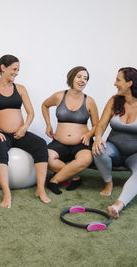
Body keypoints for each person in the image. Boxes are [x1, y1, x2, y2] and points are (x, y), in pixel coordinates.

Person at [0, 54, 51, 208]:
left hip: (19, 133)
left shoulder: (20, 89)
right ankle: (7, 193)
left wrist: (24, 128)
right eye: (14, 69)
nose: (16, 73)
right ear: (3, 68)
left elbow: (31, 112)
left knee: (40, 144)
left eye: (18, 70)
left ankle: (40, 189)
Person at [92, 67, 137, 219]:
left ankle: (118, 205)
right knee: (98, 149)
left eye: (118, 80)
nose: (114, 83)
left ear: (129, 83)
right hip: (114, 149)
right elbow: (101, 125)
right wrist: (97, 138)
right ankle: (108, 183)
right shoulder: (114, 101)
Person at [42, 66, 99, 194]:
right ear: (72, 78)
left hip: (81, 144)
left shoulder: (89, 101)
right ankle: (75, 177)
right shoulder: (59, 96)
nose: (82, 80)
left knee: (86, 159)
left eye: (85, 78)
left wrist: (89, 134)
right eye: (79, 76)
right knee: (46, 156)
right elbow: (45, 105)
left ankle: (54, 180)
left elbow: (97, 125)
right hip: (59, 142)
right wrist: (48, 125)